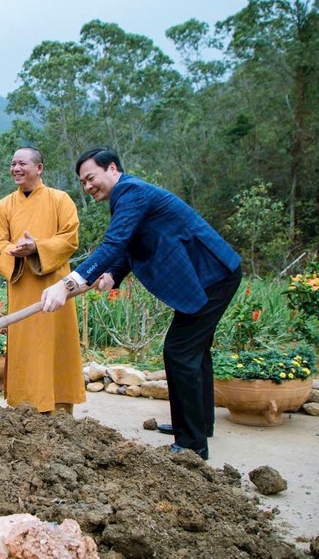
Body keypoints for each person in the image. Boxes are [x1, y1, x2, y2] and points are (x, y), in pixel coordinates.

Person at [41, 148, 242, 460]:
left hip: (213, 274)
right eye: (82, 182)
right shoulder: (128, 196)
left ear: (112, 168)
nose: (87, 186)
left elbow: (115, 242)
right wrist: (112, 274)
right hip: (210, 276)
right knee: (194, 351)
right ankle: (197, 425)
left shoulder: (130, 192)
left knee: (180, 351)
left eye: (90, 178)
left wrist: (68, 283)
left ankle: (191, 446)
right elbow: (129, 245)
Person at [0, 147, 85, 414]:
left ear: (39, 168)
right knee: (26, 346)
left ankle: (60, 410)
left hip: (56, 286)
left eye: (22, 164)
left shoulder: (60, 199)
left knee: (56, 344)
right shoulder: (4, 205)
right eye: (13, 164)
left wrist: (38, 247)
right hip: (21, 286)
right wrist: (15, 252)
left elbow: (69, 239)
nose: (16, 169)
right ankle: (24, 408)